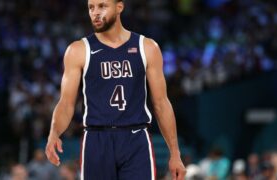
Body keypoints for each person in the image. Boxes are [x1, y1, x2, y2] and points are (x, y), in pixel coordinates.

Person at [45, 0, 186, 179]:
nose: (95, 12)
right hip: (97, 138)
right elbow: (65, 103)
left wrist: (175, 153)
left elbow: (161, 103)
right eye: (91, 7)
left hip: (135, 138)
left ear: (119, 7)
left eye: (102, 6)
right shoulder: (78, 50)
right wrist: (54, 132)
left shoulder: (147, 47)